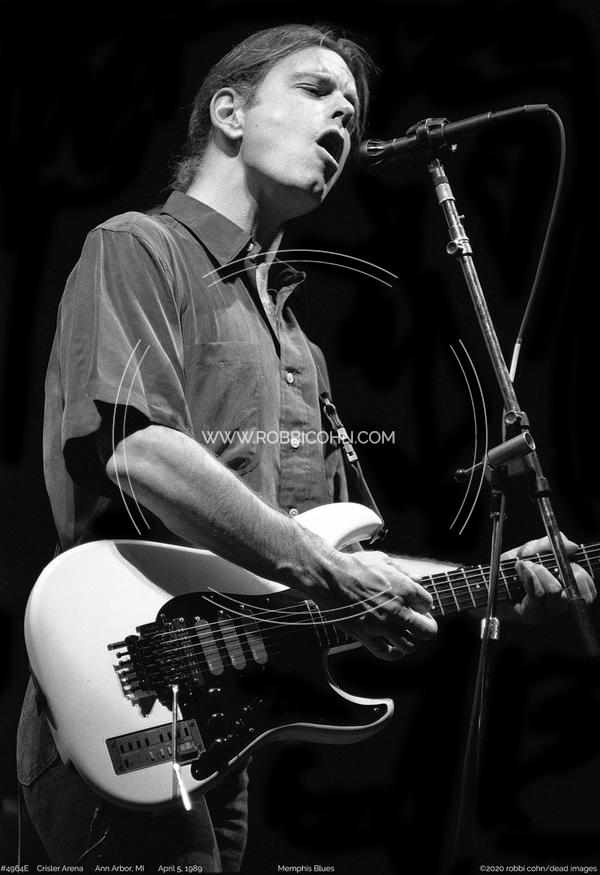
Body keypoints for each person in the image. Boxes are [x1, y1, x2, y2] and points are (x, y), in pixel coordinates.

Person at [17, 23, 595, 872]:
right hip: (118, 692)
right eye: (317, 91)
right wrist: (332, 573)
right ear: (229, 112)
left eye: (353, 114)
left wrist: (495, 580)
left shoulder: (301, 349)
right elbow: (138, 452)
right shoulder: (139, 246)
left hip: (220, 738)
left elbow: (323, 563)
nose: (343, 121)